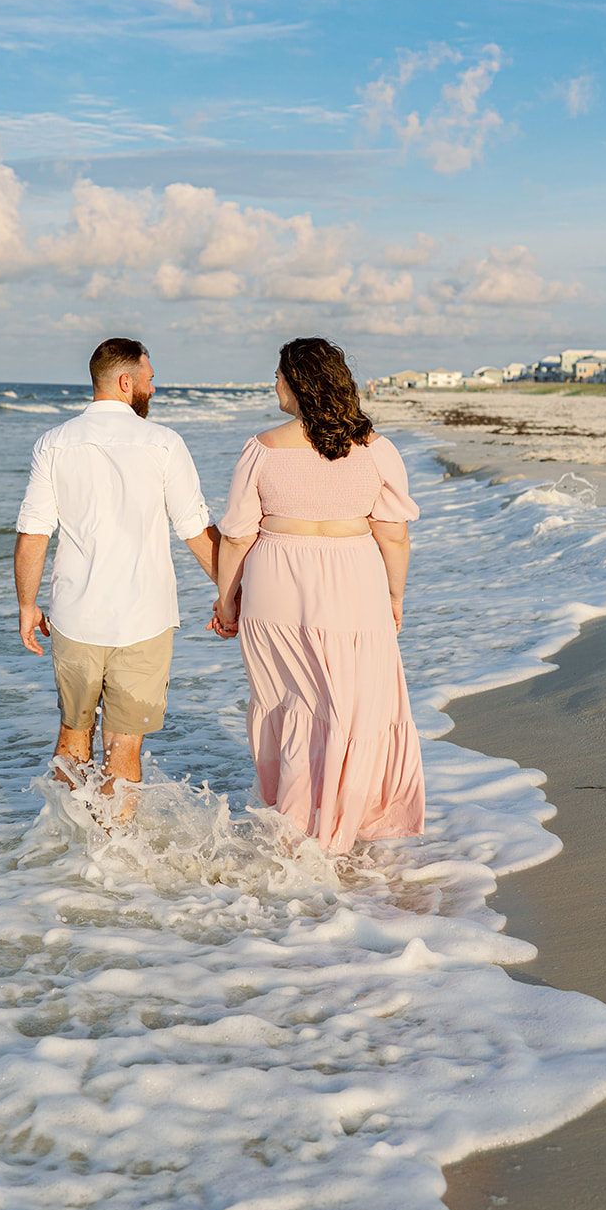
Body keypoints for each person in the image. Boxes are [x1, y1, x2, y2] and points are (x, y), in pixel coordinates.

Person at [213, 337, 424, 854]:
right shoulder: (375, 448)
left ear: (299, 382)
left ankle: (293, 828)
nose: (274, 384)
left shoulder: (262, 446)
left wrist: (225, 600)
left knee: (289, 703)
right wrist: (395, 596)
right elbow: (393, 535)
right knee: (354, 709)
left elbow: (238, 535)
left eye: (279, 376)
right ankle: (345, 825)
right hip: (356, 587)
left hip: (276, 588)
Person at [14, 338, 220, 816]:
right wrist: (231, 594)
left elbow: (33, 533)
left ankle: (67, 843)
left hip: (74, 615)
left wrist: (27, 606)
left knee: (72, 735)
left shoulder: (54, 442)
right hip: (143, 618)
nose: (154, 385)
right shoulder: (165, 442)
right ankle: (114, 862)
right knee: (124, 749)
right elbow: (194, 529)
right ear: (126, 382)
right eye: (149, 377)